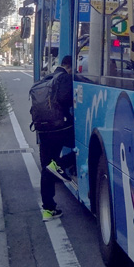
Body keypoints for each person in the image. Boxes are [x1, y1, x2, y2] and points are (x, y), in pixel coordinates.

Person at [37, 55, 76, 221]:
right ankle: (59, 165)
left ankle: (48, 209)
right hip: (58, 127)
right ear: (70, 66)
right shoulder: (65, 78)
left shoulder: (48, 77)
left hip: (42, 127)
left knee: (46, 167)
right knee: (80, 150)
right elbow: (63, 99)